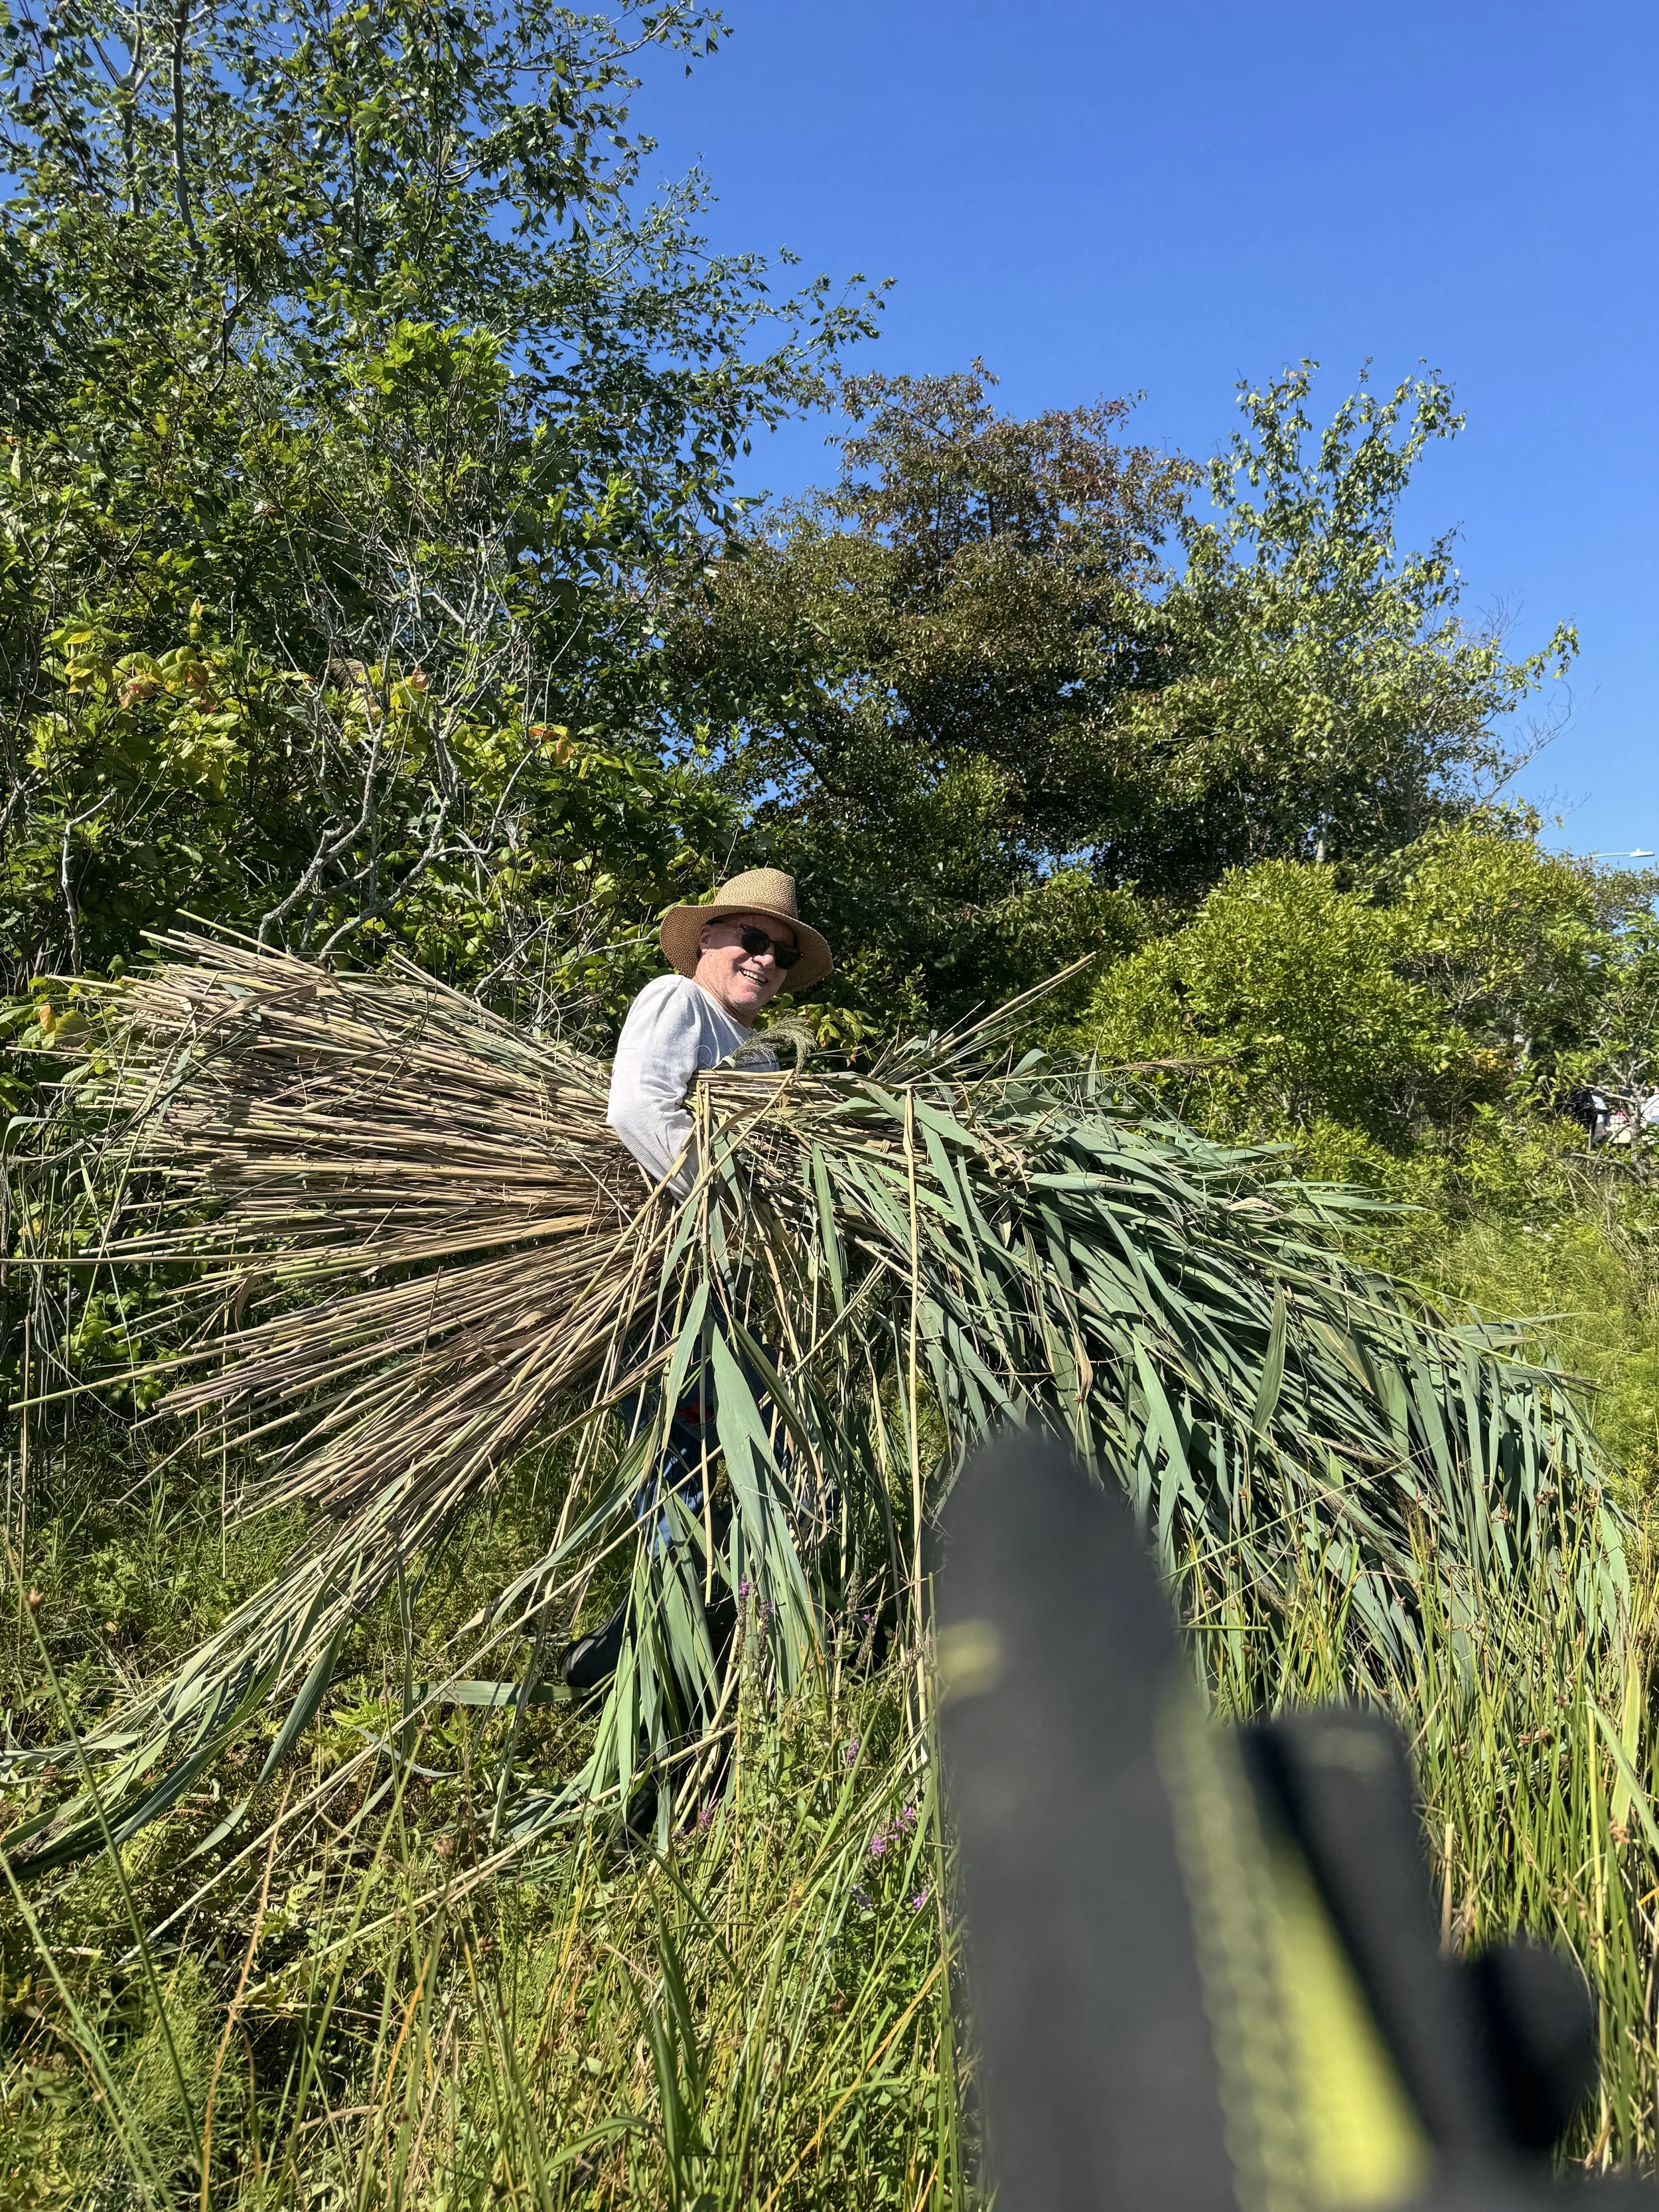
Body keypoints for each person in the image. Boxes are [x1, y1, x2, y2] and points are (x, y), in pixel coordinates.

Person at [558, 870, 833, 1690]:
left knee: (741, 1463)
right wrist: (729, 1208)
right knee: (684, 1472)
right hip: (671, 1293)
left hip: (724, 1289)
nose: (765, 961)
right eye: (751, 940)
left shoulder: (748, 1049)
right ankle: (656, 1661)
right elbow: (638, 1110)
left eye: (781, 954)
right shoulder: (677, 1003)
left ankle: (662, 1640)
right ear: (708, 939)